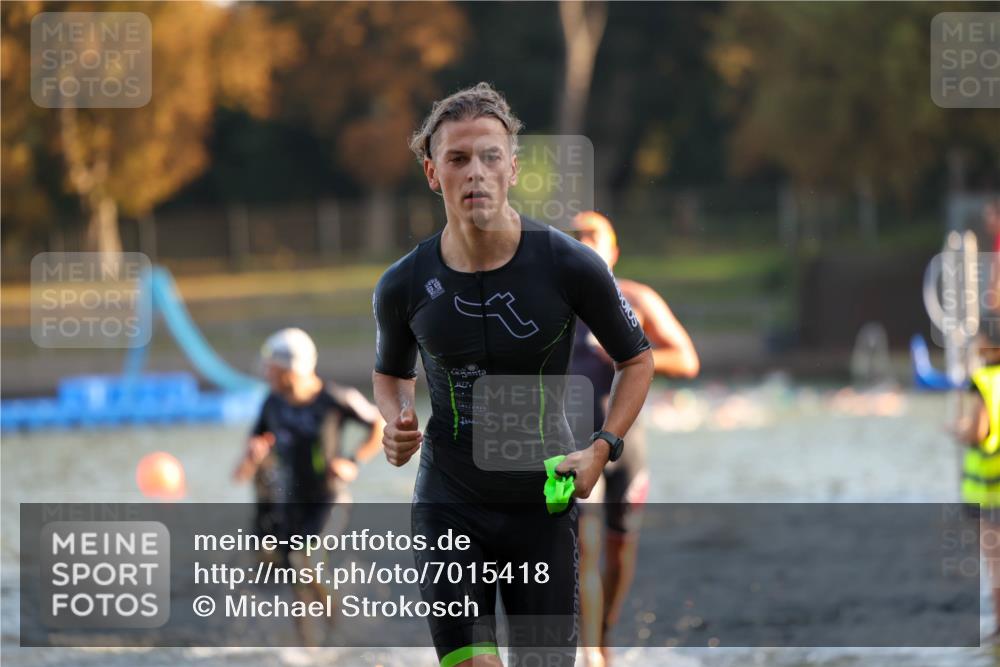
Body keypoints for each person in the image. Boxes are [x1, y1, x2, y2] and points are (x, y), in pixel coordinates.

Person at [372, 82, 654, 667]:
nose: (475, 172)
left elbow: (637, 360)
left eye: (489, 156)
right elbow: (390, 373)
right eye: (457, 158)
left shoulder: (568, 264)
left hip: (541, 504)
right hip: (449, 499)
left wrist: (603, 447)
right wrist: (396, 418)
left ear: (512, 168)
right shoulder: (402, 283)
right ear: (432, 173)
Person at [567, 211, 699, 667]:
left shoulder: (637, 299)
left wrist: (631, 354)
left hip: (627, 446)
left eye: (593, 236)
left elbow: (686, 358)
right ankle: (588, 654)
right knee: (581, 545)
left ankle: (604, 639)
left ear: (613, 249)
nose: (584, 242)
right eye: (575, 237)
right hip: (574, 445)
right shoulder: (553, 302)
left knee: (620, 550)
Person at [233, 327, 384, 645]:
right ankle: (308, 652)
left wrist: (352, 461)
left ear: (292, 369)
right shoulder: (272, 403)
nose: (265, 373)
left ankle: (341, 627)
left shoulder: (335, 398)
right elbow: (252, 449)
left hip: (328, 500)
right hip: (289, 503)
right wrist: (253, 457)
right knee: (296, 581)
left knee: (306, 560)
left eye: (272, 368)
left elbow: (378, 425)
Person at [955, 323, 1000, 642]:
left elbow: (978, 431)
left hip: (989, 492)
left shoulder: (985, 381)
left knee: (996, 564)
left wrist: (957, 430)